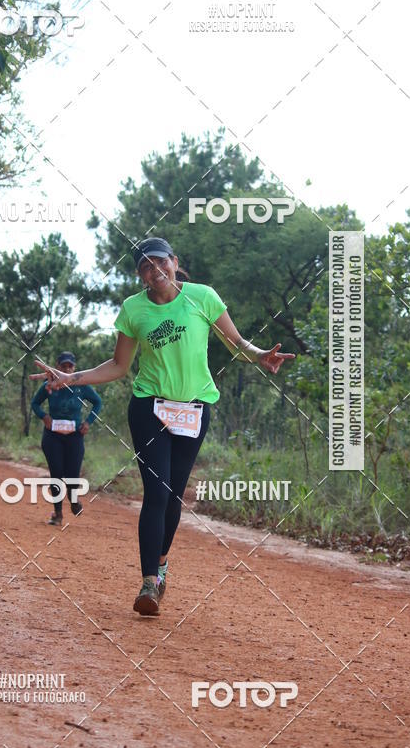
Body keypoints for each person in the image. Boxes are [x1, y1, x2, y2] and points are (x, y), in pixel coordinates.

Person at [31, 237, 295, 616]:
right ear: (141, 277)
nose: (153, 272)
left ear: (173, 261)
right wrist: (72, 379)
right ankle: (149, 583)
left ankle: (163, 561)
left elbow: (235, 341)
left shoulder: (202, 297)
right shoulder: (133, 310)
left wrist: (259, 356)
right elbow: (119, 366)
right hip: (149, 409)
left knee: (174, 496)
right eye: (144, 268)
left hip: (194, 410)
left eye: (159, 263)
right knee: (156, 494)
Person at [31, 351, 103, 526]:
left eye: (70, 365)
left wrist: (88, 422)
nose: (67, 368)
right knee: (56, 473)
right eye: (64, 365)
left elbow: (98, 402)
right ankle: (57, 514)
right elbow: (35, 403)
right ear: (58, 366)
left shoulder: (82, 385)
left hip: (75, 436)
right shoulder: (49, 385)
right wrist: (44, 416)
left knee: (72, 475)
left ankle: (73, 500)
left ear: (74, 367)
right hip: (52, 436)